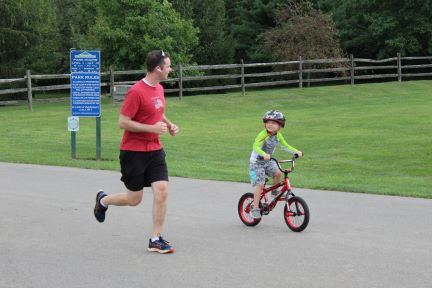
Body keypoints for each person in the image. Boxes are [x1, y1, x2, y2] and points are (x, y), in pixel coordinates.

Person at [93, 50, 180, 254]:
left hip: (155, 150)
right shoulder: (136, 91)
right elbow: (122, 122)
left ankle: (156, 239)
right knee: (134, 199)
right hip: (134, 152)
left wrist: (168, 124)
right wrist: (151, 128)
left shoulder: (158, 88)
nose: (170, 69)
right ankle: (103, 201)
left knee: (162, 190)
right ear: (158, 69)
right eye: (168, 66)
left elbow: (156, 110)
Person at [249, 110, 303, 219]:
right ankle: (255, 207)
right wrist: (264, 154)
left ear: (280, 125)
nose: (270, 124)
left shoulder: (278, 136)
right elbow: (255, 146)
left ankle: (274, 193)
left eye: (273, 123)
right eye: (268, 122)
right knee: (260, 184)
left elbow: (285, 146)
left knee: (278, 173)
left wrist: (296, 152)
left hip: (268, 161)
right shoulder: (263, 135)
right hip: (256, 163)